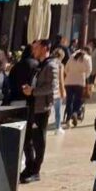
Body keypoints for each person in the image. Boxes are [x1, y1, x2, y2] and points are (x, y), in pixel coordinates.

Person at [20, 40, 61, 183]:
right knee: (27, 138)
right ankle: (29, 167)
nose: (34, 51)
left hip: (42, 108)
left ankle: (36, 170)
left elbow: (52, 87)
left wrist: (33, 91)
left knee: (38, 140)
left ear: (45, 48)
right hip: (33, 105)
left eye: (36, 48)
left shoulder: (51, 66)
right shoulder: (40, 65)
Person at [64, 48, 92, 127]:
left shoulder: (72, 57)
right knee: (78, 99)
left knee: (69, 100)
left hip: (69, 81)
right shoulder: (87, 58)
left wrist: (71, 73)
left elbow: (66, 69)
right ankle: (75, 113)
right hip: (80, 82)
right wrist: (83, 76)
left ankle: (68, 119)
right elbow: (89, 71)